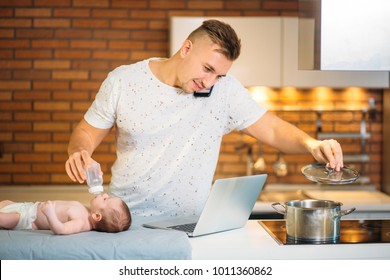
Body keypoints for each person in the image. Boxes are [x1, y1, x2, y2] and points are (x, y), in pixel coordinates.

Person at [65, 19, 343, 218]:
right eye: (207, 68)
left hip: (191, 227)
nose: (210, 82)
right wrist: (80, 151)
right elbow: (86, 132)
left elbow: (270, 128)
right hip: (125, 221)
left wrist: (310, 144)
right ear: (186, 48)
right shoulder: (124, 80)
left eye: (218, 75)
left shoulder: (225, 90)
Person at [0, 193, 131, 235]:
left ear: (97, 216)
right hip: (29, 207)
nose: (104, 194)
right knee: (5, 203)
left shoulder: (81, 223)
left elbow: (61, 230)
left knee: (5, 218)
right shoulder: (88, 211)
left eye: (105, 199)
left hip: (27, 218)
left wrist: (50, 214)